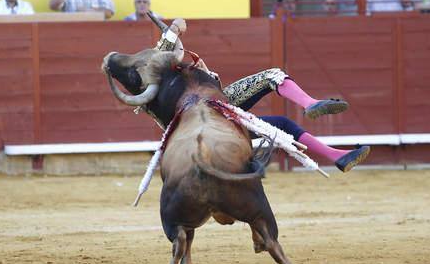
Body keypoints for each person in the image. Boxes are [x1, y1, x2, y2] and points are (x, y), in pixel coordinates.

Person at [154, 19, 370, 172]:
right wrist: (174, 27)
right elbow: (159, 53)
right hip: (193, 117)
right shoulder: (157, 69)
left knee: (274, 83)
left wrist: (206, 73)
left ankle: (331, 144)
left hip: (219, 104)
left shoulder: (188, 65)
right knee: (279, 115)